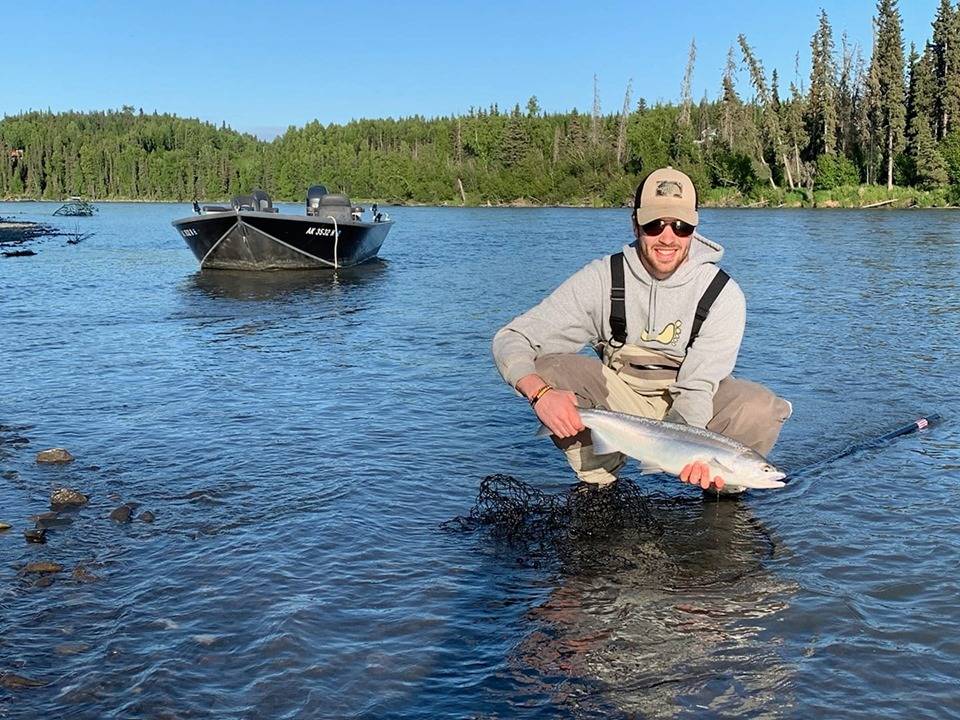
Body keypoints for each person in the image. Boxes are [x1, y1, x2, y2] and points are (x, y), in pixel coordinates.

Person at [492, 167, 792, 492]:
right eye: (654, 224)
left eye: (680, 226)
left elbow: (697, 387)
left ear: (694, 227)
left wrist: (684, 448)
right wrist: (541, 394)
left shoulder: (722, 294)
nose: (667, 237)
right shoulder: (601, 279)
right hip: (620, 400)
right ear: (635, 224)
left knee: (761, 407)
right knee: (548, 368)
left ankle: (724, 489)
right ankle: (598, 479)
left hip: (690, 403)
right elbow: (512, 338)